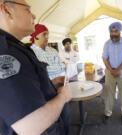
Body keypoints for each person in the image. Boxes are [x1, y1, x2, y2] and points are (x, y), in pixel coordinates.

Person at [0, 0, 72, 135]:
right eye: (28, 10)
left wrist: (52, 84)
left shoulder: (16, 48)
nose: (33, 16)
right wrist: (63, 96)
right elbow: (31, 126)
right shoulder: (5, 51)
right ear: (7, 10)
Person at [30, 24, 70, 135]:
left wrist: (64, 75)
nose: (47, 37)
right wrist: (55, 79)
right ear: (35, 36)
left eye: (48, 34)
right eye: (44, 34)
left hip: (61, 89)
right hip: (46, 94)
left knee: (65, 116)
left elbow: (59, 66)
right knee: (51, 123)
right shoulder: (30, 54)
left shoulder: (52, 50)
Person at [102, 22, 122, 125]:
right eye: (111, 31)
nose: (113, 33)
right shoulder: (107, 43)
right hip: (110, 71)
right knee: (108, 94)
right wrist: (111, 70)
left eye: (116, 31)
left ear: (120, 31)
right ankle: (107, 113)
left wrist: (118, 70)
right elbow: (105, 58)